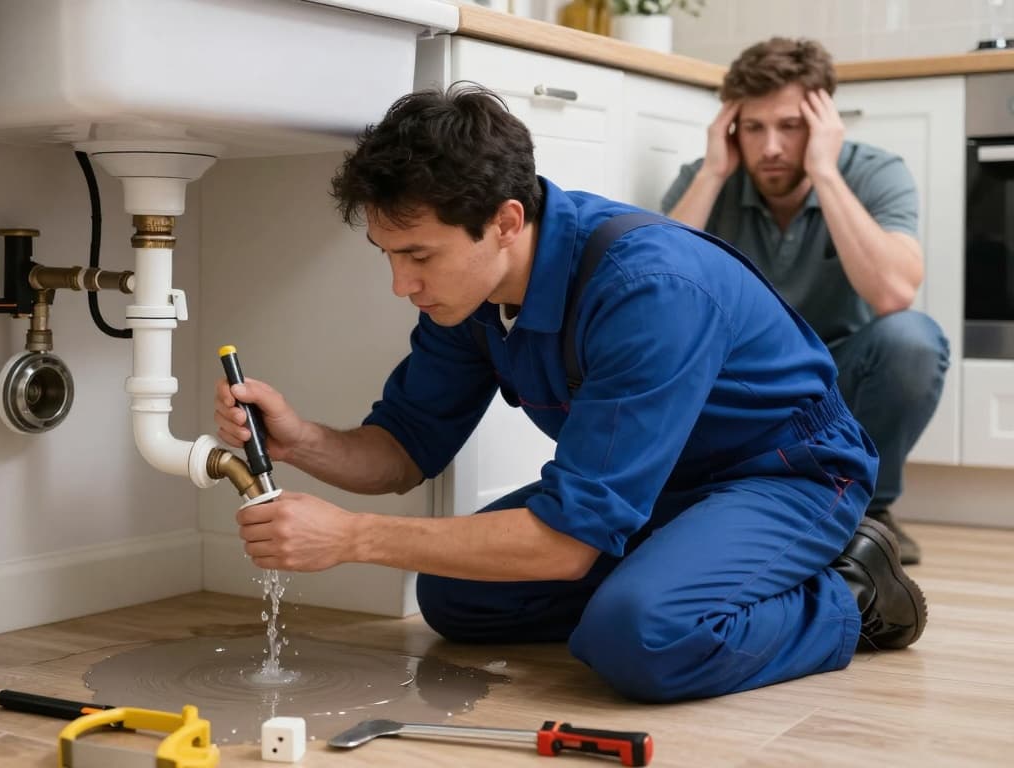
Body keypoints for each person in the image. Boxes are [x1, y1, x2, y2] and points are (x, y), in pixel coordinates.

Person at [213, 84, 927, 704]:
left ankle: (850, 590)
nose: (402, 284)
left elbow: (563, 545)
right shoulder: (469, 297)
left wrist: (352, 537)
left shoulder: (648, 290)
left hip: (785, 475)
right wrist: (299, 439)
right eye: (389, 256)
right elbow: (403, 450)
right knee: (454, 596)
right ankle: (678, 578)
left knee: (639, 637)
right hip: (661, 483)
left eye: (418, 255)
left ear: (506, 222)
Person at [661, 37, 948, 565]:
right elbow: (658, 300)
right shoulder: (707, 177)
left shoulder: (875, 172)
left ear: (823, 123)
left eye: (790, 126)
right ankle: (753, 501)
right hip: (749, 386)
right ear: (731, 127)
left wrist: (825, 172)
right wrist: (712, 172)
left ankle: (871, 510)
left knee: (913, 340)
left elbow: (894, 293)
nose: (771, 147)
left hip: (841, 379)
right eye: (753, 127)